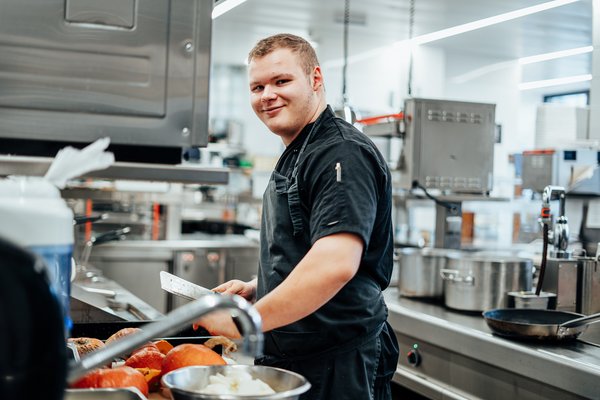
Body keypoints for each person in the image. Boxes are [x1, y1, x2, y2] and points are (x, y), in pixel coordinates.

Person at [195, 33, 399, 400]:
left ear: (315, 80)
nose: (267, 95)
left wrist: (244, 323)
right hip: (298, 354)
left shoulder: (340, 153)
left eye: (281, 81)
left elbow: (334, 265)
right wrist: (262, 287)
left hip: (337, 362)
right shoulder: (300, 149)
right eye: (257, 86)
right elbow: (309, 245)